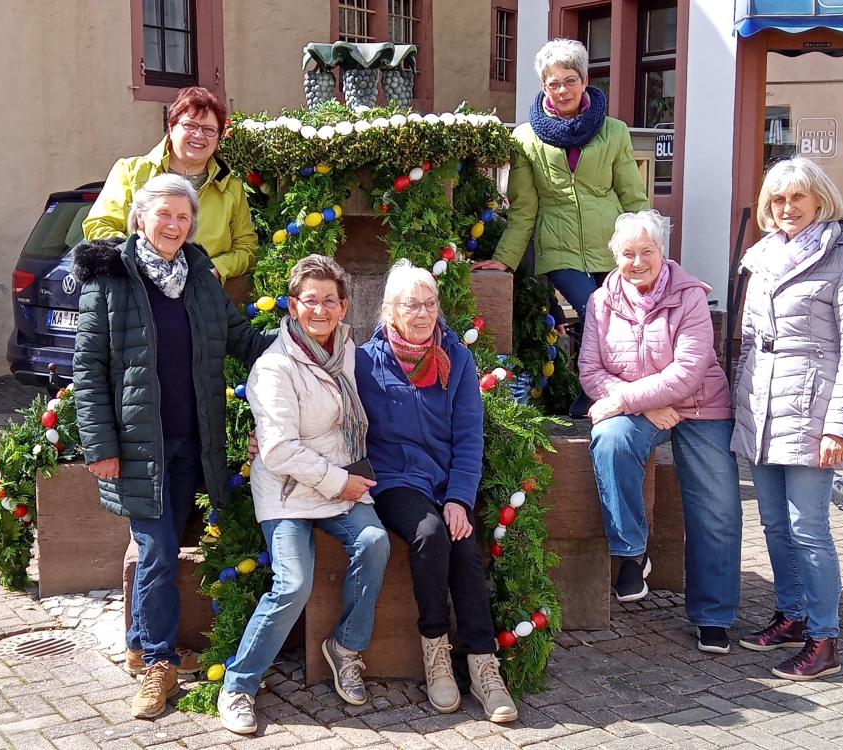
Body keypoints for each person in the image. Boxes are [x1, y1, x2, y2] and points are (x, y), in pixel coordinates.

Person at [71, 174, 274, 719]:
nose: (174, 226)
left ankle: (141, 642)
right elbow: (88, 368)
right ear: (140, 217)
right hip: (140, 446)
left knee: (164, 545)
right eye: (164, 215)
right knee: (158, 550)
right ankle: (159, 664)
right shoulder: (111, 280)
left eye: (183, 217)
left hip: (194, 440)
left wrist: (300, 340)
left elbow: (240, 337)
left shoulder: (201, 276)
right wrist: (99, 445)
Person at [732, 157, 843, 680]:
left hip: (810, 407)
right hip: (762, 406)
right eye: (778, 199)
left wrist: (839, 427)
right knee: (774, 524)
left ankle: (824, 640)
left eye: (798, 198)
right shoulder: (761, 257)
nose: (787, 209)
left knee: (810, 528)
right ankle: (793, 615)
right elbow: (748, 343)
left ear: (820, 200)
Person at [218, 255, 390, 735]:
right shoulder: (273, 366)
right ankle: (237, 684)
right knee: (292, 583)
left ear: (343, 305)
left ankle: (346, 648)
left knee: (374, 542)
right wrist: (341, 482)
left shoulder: (348, 351)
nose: (320, 310)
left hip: (341, 481)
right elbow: (278, 451)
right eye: (309, 300)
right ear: (292, 306)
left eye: (329, 300)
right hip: (289, 491)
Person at [354, 260, 519, 723]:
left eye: (430, 304)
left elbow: (469, 435)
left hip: (446, 482)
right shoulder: (366, 362)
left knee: (463, 547)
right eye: (412, 305)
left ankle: (485, 666)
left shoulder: (457, 359)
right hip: (395, 481)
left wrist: (459, 498)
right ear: (389, 310)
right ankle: (436, 653)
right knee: (429, 534)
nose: (423, 313)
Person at [578, 210, 743, 654]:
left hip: (700, 405)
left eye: (645, 251)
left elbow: (690, 371)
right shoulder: (600, 301)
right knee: (610, 439)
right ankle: (632, 552)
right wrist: (643, 407)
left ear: (662, 252)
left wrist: (628, 400)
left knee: (716, 508)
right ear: (615, 256)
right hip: (647, 407)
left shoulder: (689, 295)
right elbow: (591, 371)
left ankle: (713, 615)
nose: (637, 261)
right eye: (627, 253)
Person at [472, 38, 649, 413]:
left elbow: (632, 196)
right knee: (596, 309)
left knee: (623, 316)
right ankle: (595, 388)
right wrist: (505, 258)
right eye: (554, 83)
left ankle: (617, 390)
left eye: (570, 80)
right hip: (558, 246)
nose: (563, 90)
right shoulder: (525, 138)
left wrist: (649, 247)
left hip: (612, 244)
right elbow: (523, 207)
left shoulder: (614, 131)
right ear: (543, 87)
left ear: (585, 81)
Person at [83, 86, 258, 284]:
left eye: (209, 129)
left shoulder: (231, 187)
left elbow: (247, 249)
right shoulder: (131, 171)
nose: (199, 135)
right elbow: (98, 226)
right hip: (138, 291)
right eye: (190, 125)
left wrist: (216, 268)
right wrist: (141, 258)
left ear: (218, 138)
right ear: (172, 127)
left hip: (200, 299)